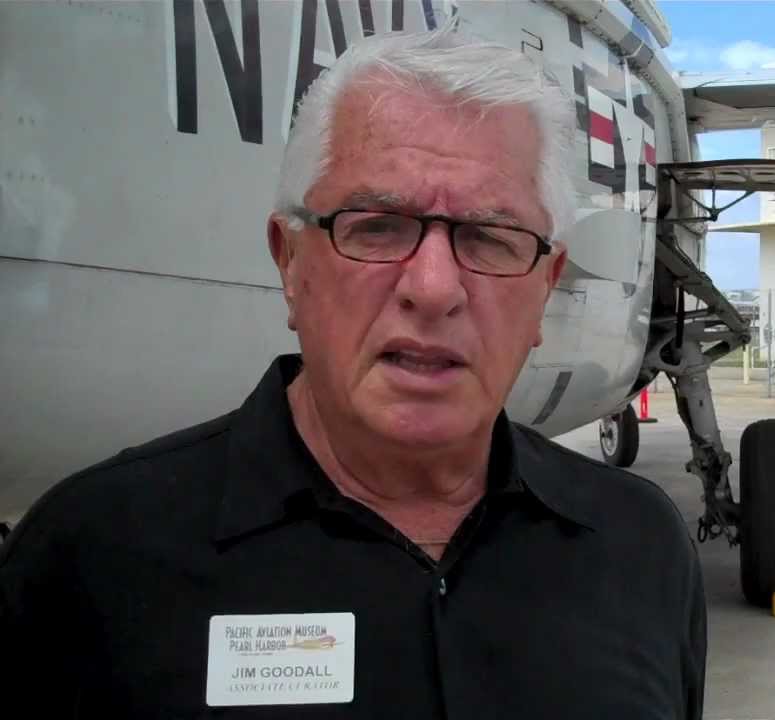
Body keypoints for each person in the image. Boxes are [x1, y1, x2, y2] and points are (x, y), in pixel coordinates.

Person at [0, 28, 706, 718]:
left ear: (545, 286)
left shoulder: (640, 546)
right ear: (289, 262)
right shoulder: (91, 558)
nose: (433, 288)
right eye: (375, 226)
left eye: (490, 237)